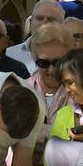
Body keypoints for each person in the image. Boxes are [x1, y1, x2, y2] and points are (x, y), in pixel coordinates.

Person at [23, 22, 74, 155]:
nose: (51, 70)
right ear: (35, 60)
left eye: (58, 63)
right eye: (44, 63)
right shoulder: (22, 90)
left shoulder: (81, 93)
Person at [5, 0, 64, 75]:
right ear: (30, 23)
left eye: (51, 20)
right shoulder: (9, 54)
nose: (44, 23)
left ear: (62, 26)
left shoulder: (68, 57)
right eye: (39, 18)